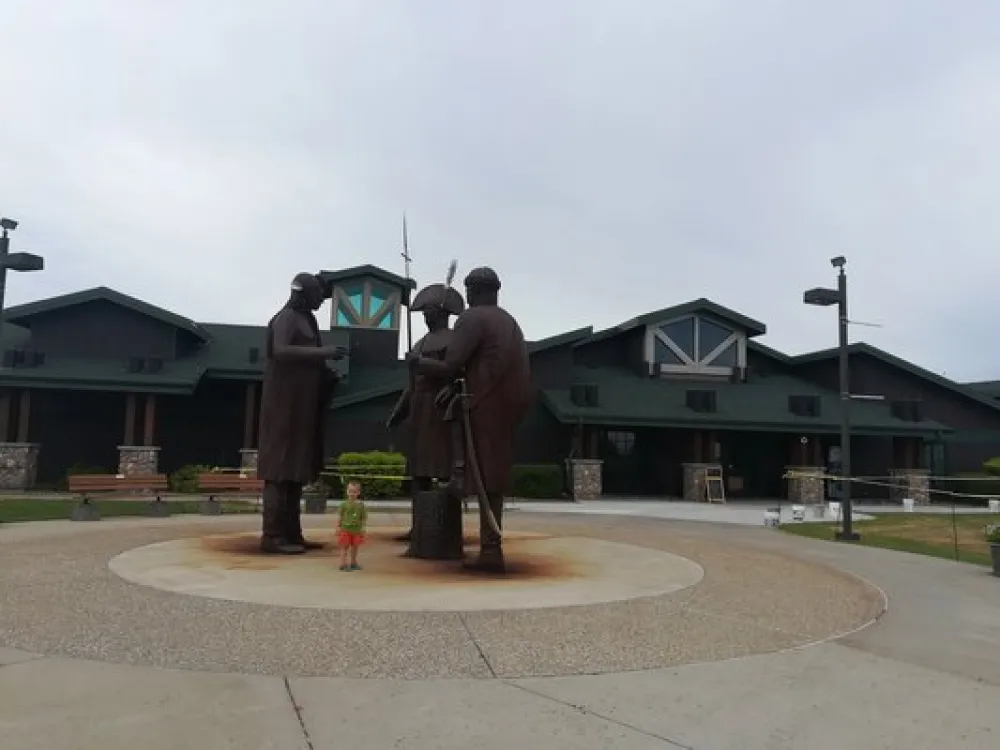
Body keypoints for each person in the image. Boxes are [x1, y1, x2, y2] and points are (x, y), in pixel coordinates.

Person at [409, 266, 533, 571]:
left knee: (481, 471)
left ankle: (459, 476)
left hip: (483, 404)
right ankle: (491, 546)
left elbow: (452, 364)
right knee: (493, 478)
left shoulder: (473, 318)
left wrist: (418, 363)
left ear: (473, 291)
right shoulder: (510, 322)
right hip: (507, 406)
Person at [257, 272, 346, 555]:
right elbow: (280, 351)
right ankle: (272, 536)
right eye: (318, 294)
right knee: (280, 472)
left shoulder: (307, 319)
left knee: (295, 473)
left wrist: (326, 373)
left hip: (301, 408)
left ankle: (292, 533)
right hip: (284, 407)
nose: (322, 298)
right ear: (302, 293)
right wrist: (324, 354)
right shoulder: (286, 318)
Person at [386, 282, 465, 547]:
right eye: (424, 312)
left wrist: (425, 366)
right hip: (419, 414)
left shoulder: (454, 339)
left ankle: (446, 525)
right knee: (419, 472)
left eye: (429, 311)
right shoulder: (420, 343)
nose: (425, 316)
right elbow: (412, 385)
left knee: (442, 470)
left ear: (442, 312)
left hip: (439, 413)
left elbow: (456, 370)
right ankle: (419, 524)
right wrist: (399, 412)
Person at [338, 479, 367, 571]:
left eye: (354, 492)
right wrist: (338, 527)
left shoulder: (361, 505)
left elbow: (363, 518)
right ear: (347, 491)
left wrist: (363, 528)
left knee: (355, 547)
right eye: (350, 491)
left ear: (358, 492)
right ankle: (343, 564)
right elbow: (340, 516)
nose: (352, 494)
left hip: (356, 530)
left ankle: (353, 563)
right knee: (344, 547)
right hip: (345, 530)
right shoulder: (343, 505)